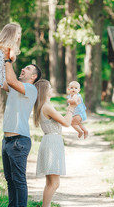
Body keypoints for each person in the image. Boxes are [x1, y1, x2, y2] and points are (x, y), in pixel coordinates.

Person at [1, 49, 42, 207]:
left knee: (18, 181)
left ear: (33, 77)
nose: (23, 69)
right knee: (10, 180)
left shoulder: (30, 89)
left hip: (19, 141)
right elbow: (2, 80)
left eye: (28, 68)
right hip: (7, 141)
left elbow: (10, 81)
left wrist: (8, 61)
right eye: (23, 67)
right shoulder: (15, 87)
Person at [33, 79, 77, 207]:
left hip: (49, 141)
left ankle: (46, 205)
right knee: (55, 183)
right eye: (50, 88)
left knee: (50, 182)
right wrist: (72, 108)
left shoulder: (43, 106)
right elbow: (67, 122)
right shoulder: (47, 107)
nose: (52, 90)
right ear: (45, 91)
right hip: (52, 142)